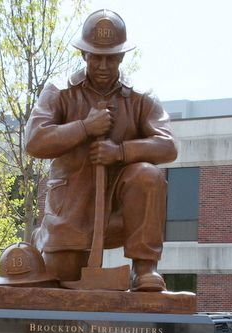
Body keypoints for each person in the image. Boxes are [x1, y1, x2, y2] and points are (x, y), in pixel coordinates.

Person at [25, 9, 178, 291]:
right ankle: (45, 236)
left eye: (111, 58)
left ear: (121, 57)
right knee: (63, 277)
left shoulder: (141, 97)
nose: (104, 65)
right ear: (84, 55)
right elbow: (34, 141)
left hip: (120, 211)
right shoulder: (59, 91)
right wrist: (84, 127)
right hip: (72, 206)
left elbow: (168, 146)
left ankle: (144, 269)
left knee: (148, 175)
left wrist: (120, 152)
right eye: (96, 57)